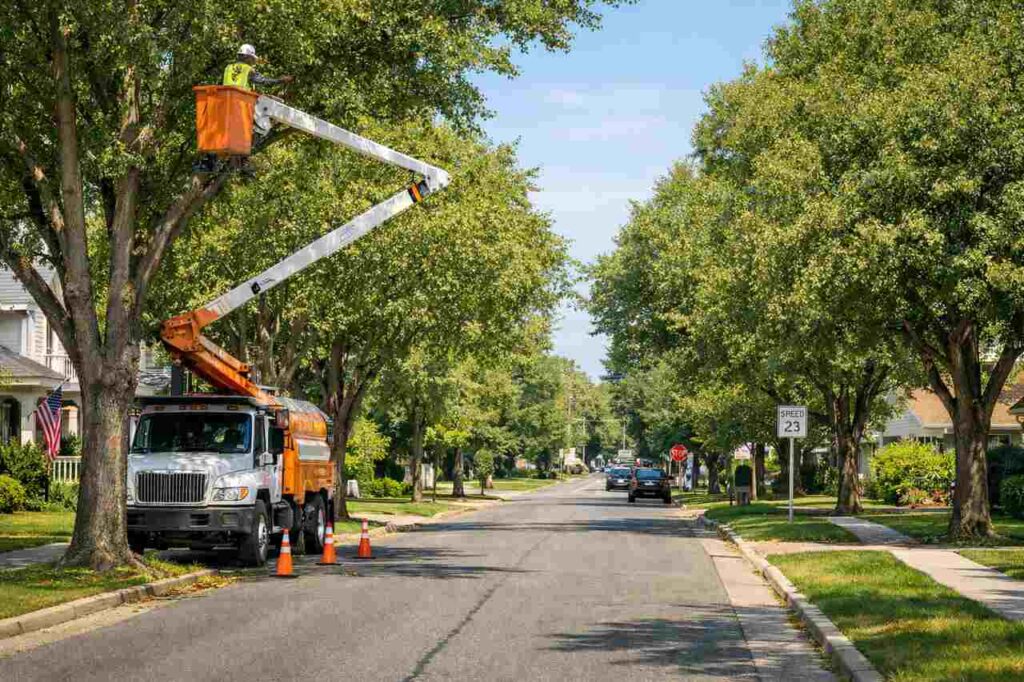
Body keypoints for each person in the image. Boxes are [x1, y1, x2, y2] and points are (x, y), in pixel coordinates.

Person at [223, 44, 294, 91]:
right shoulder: (248, 70)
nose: (253, 61)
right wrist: (280, 80)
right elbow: (264, 81)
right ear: (247, 57)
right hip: (240, 104)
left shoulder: (228, 67)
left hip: (226, 102)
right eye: (252, 58)